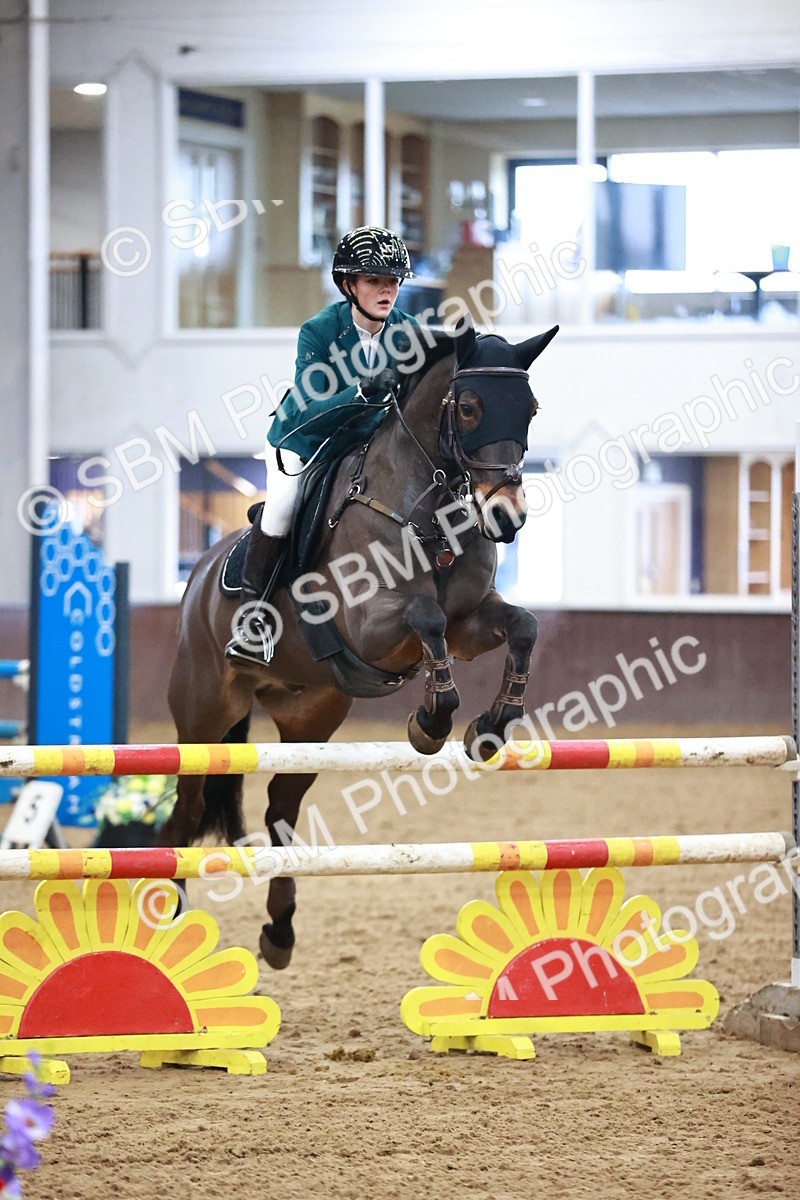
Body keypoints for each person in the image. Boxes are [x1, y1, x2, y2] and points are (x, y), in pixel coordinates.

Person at [226, 225, 420, 666]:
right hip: (305, 440)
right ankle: (253, 620)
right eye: (374, 280)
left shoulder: (409, 333)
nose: (386, 290)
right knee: (281, 507)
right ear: (349, 285)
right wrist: (360, 391)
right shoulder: (319, 331)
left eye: (392, 281)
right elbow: (311, 404)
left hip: (367, 447)